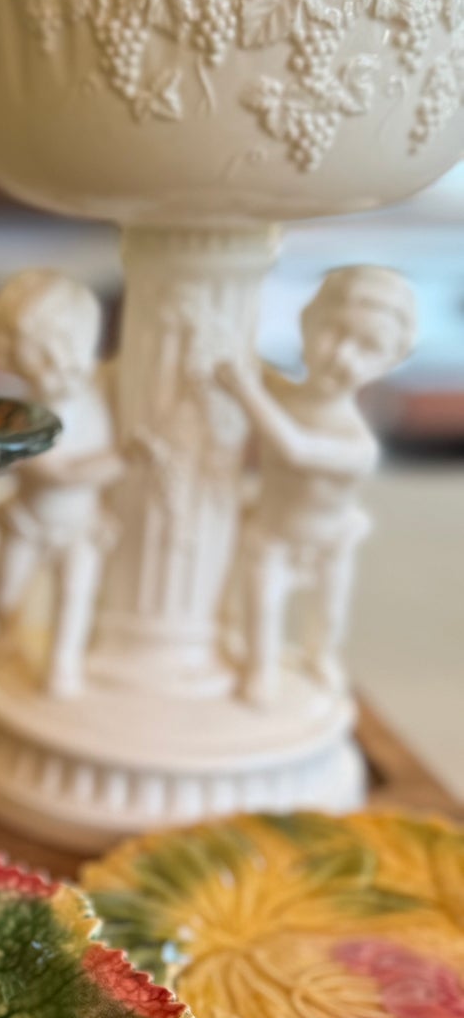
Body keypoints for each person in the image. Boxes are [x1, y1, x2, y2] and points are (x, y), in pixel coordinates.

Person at [216, 265, 415, 707]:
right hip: (271, 534)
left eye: (368, 348)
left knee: (327, 614)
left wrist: (246, 391)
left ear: (391, 362)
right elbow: (250, 366)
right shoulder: (282, 394)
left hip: (328, 543)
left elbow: (296, 449)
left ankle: (319, 655)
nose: (343, 356)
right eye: (333, 332)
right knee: (261, 605)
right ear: (306, 322)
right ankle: (260, 667)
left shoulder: (355, 440)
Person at [0, 269, 120, 698]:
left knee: (74, 598)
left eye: (16, 342)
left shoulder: (92, 399)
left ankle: (63, 666)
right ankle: (7, 642)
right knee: (7, 597)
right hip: (28, 520)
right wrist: (122, 460)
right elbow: (52, 471)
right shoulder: (31, 414)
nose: (7, 352)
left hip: (79, 527)